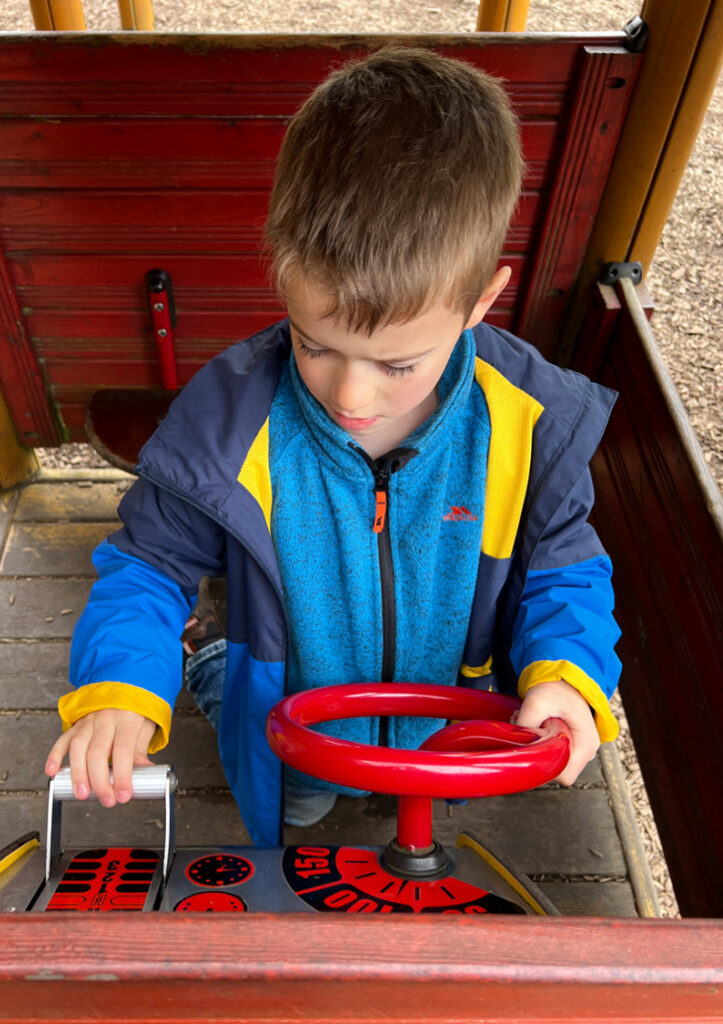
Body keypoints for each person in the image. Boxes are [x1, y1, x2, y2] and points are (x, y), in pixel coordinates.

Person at [45, 48, 621, 846]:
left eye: (397, 364)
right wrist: (117, 688)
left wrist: (564, 675)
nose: (350, 397)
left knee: (410, 818)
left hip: (444, 730)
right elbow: (148, 564)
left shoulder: (528, 420)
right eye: (316, 346)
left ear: (481, 300)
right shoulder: (228, 418)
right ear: (282, 280)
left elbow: (562, 566)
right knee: (300, 814)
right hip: (289, 728)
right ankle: (216, 678)